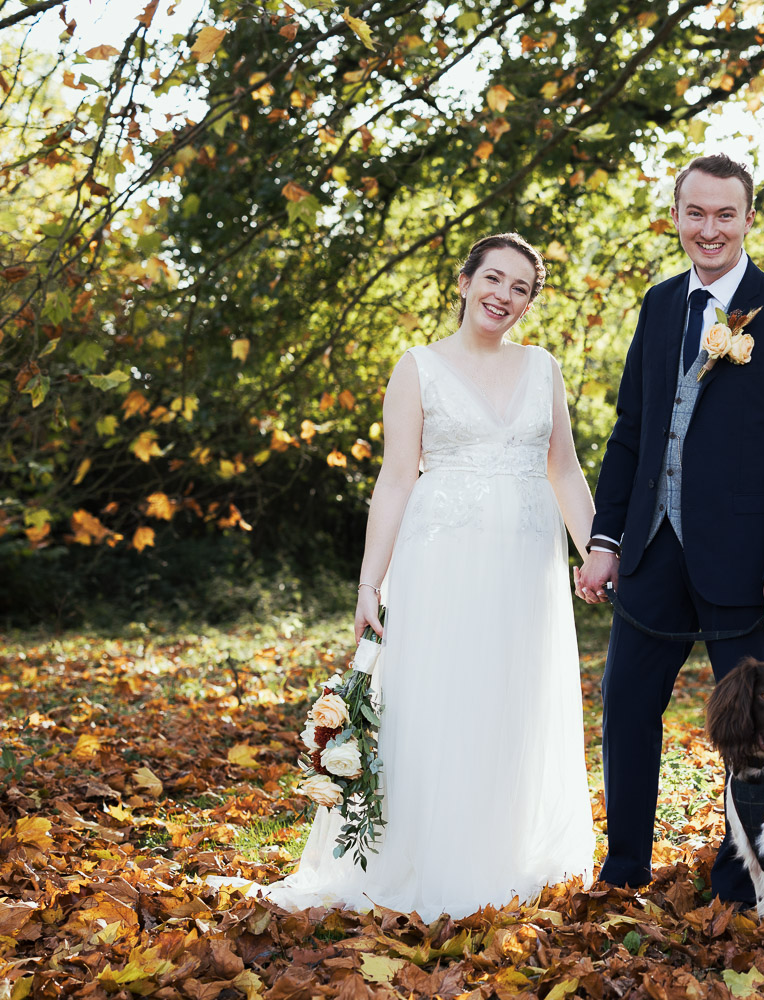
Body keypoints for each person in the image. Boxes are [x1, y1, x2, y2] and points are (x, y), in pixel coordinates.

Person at [248, 234, 597, 920]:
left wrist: (597, 553)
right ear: (465, 282)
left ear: (530, 301)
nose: (503, 295)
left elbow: (563, 469)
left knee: (512, 700)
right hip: (441, 562)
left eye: (520, 287)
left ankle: (503, 852)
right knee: (441, 698)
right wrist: (369, 585)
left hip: (527, 565)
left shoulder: (544, 369)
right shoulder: (418, 368)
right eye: (492, 278)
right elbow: (396, 476)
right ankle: (428, 861)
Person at [574, 153, 764, 904]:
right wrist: (606, 539)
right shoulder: (657, 307)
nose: (708, 228)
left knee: (755, 730)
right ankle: (624, 868)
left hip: (746, 562)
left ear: (750, 219)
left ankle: (739, 877)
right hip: (652, 552)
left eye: (725, 214)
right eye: (696, 213)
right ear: (677, 217)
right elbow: (631, 434)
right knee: (625, 707)